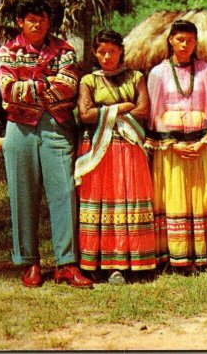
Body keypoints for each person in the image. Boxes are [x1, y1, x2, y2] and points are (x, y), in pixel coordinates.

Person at [0, 0, 92, 288]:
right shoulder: (7, 51)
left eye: (42, 19)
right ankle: (30, 263)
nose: (37, 24)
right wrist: (46, 84)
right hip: (20, 130)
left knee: (64, 192)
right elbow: (7, 89)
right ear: (20, 22)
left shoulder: (65, 50)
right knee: (22, 194)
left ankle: (66, 263)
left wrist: (28, 85)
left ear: (50, 23)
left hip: (57, 126)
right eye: (31, 20)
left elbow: (69, 87)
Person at [145, 20, 207, 270]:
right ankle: (176, 256)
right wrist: (173, 144)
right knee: (175, 198)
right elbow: (154, 113)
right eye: (180, 39)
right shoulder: (158, 73)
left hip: (203, 144)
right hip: (171, 145)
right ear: (171, 40)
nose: (185, 45)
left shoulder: (205, 71)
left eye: (190, 40)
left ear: (196, 43)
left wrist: (204, 142)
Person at [74, 29, 156, 284]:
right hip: (99, 151)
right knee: (100, 202)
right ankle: (97, 262)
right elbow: (84, 114)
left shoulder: (135, 77)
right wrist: (121, 107)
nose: (107, 56)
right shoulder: (89, 81)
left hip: (128, 148)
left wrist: (105, 111)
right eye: (101, 52)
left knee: (128, 199)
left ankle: (133, 261)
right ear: (94, 53)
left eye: (112, 51)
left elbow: (144, 109)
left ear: (121, 50)